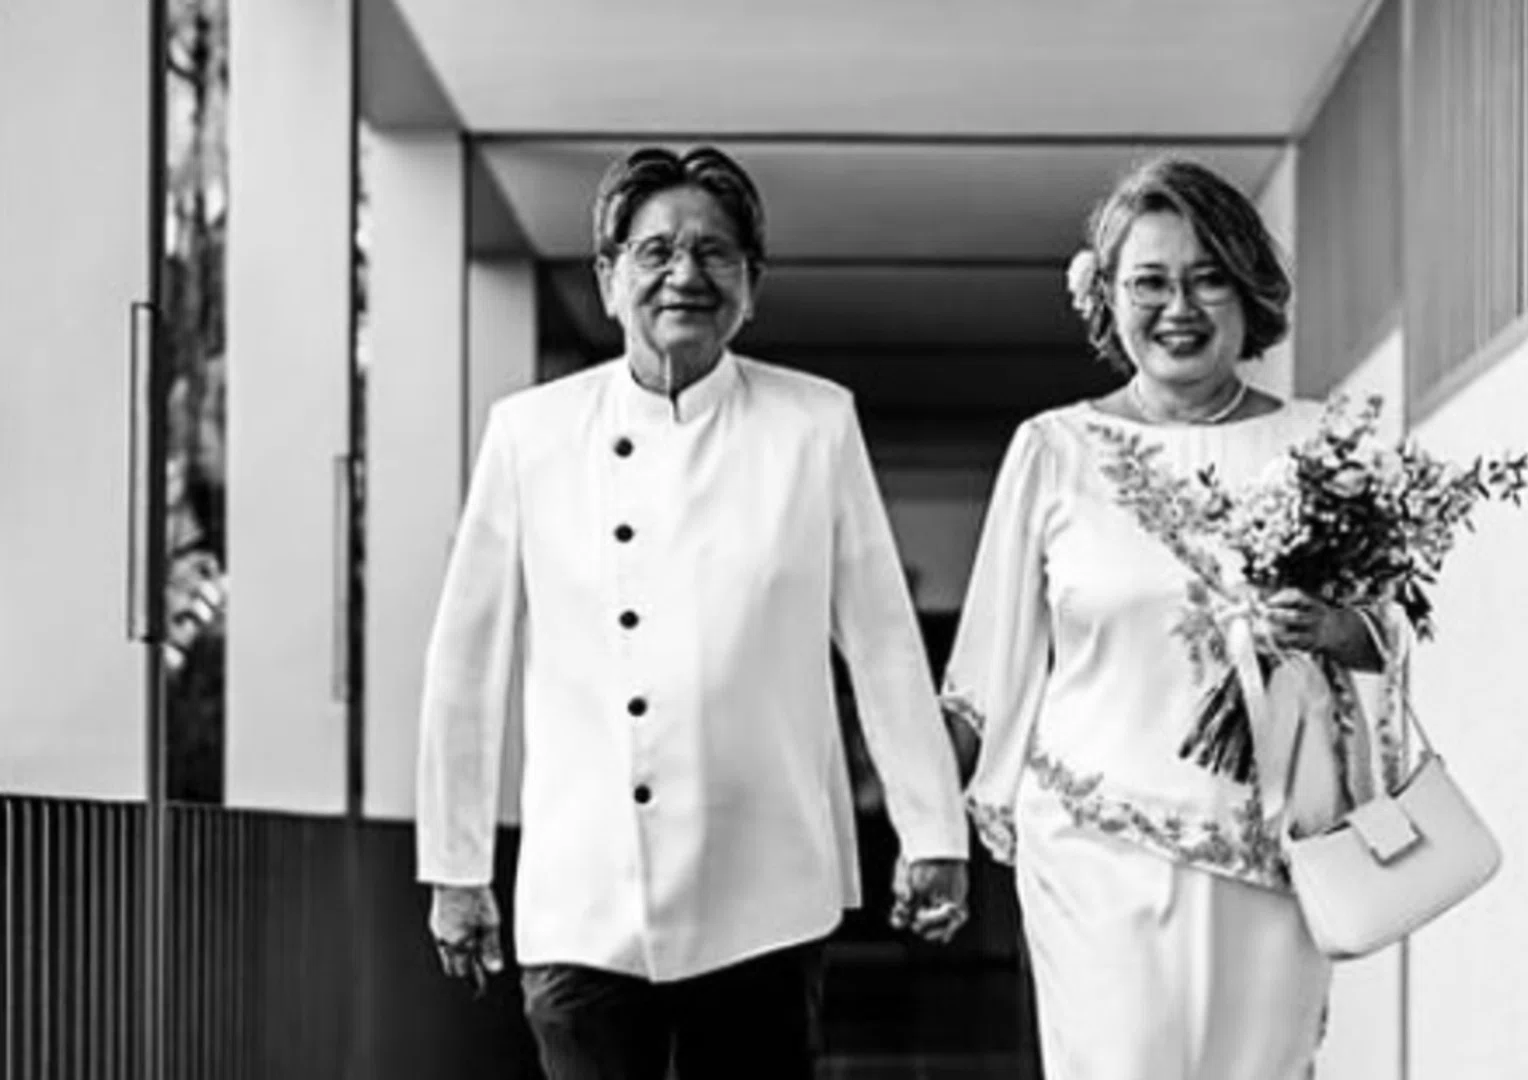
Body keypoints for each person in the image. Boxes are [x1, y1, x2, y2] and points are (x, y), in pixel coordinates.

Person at [414, 145, 971, 1080]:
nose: (686, 274)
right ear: (608, 278)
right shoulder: (530, 434)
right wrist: (456, 865)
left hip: (764, 888)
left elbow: (880, 642)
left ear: (751, 285)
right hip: (583, 891)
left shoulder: (815, 423)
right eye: (655, 250)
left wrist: (932, 832)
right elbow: (467, 664)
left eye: (716, 254)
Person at [941, 157, 1411, 1079]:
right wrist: (930, 829)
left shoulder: (1326, 441)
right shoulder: (1053, 450)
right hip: (1094, 844)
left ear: (1249, 291)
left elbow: (1388, 636)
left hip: (1274, 844)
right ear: (1107, 299)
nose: (1179, 307)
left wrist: (1330, 628)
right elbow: (988, 669)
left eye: (1208, 279)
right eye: (1149, 281)